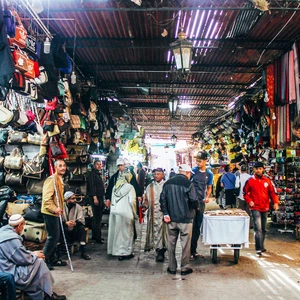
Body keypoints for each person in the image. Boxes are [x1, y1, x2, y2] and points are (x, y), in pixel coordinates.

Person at [0, 214, 66, 300]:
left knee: (38, 263)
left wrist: (32, 254)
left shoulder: (3, 232)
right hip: (9, 270)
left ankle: (46, 293)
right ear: (20, 226)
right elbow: (22, 259)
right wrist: (34, 255)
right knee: (39, 262)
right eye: (23, 225)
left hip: (5, 267)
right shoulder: (11, 238)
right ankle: (47, 294)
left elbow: (18, 255)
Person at [160, 164, 199, 276]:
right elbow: (194, 200)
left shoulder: (167, 183)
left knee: (170, 244)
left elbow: (162, 199)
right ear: (187, 173)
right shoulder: (188, 184)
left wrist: (166, 213)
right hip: (185, 219)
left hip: (171, 219)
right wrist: (195, 209)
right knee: (185, 245)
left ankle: (171, 267)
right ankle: (184, 268)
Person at [244, 161, 279, 255]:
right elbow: (245, 193)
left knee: (263, 228)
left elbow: (273, 192)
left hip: (265, 207)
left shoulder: (268, 180)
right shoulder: (250, 181)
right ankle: (258, 248)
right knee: (257, 227)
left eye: (260, 168)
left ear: (263, 169)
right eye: (257, 169)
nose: (259, 170)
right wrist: (249, 201)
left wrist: (275, 202)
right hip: (255, 207)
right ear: (254, 169)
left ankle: (262, 246)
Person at [42, 159, 67, 270]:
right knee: (53, 237)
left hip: (56, 212)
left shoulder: (60, 179)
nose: (63, 168)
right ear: (55, 168)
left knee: (56, 237)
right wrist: (55, 209)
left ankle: (52, 259)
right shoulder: (51, 180)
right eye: (60, 166)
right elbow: (47, 199)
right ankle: (43, 260)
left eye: (64, 165)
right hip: (50, 212)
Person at [107, 171, 137, 260]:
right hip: (127, 213)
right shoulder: (130, 187)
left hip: (116, 213)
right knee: (127, 234)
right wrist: (135, 213)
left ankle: (117, 251)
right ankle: (127, 252)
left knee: (118, 233)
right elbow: (132, 201)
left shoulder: (115, 188)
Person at [190, 151, 213, 260]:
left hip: (201, 202)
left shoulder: (209, 174)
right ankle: (189, 251)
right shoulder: (193, 172)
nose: (198, 163)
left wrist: (207, 197)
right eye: (197, 161)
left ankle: (193, 251)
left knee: (197, 227)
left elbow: (209, 188)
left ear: (205, 161)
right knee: (190, 226)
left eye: (200, 161)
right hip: (191, 202)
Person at [143, 167, 166, 262]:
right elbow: (146, 199)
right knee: (155, 232)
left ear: (163, 175)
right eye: (155, 174)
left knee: (163, 233)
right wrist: (144, 206)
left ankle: (162, 251)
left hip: (164, 214)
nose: (156, 176)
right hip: (153, 213)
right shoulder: (150, 187)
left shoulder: (166, 185)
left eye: (158, 174)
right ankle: (158, 249)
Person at [62, 191, 91, 260]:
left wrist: (74, 223)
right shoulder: (61, 206)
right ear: (67, 200)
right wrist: (66, 223)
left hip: (74, 229)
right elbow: (58, 219)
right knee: (58, 228)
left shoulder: (78, 207)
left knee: (81, 228)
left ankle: (83, 252)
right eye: (72, 199)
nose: (75, 200)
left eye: (75, 198)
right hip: (65, 229)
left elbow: (81, 220)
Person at [86, 160, 105, 244]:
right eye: (97, 164)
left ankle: (95, 235)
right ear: (94, 165)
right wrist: (95, 198)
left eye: (100, 164)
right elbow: (92, 187)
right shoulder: (92, 174)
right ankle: (98, 237)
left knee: (97, 218)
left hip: (100, 197)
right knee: (97, 218)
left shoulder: (98, 174)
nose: (99, 166)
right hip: (96, 198)